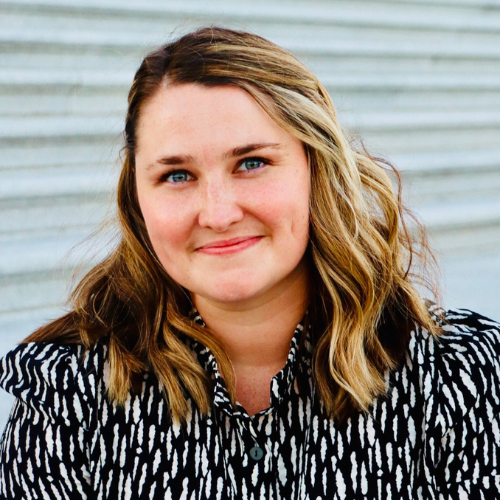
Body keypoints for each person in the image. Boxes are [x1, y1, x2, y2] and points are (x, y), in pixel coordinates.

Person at [0, 26, 499, 500]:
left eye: (252, 163)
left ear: (315, 169)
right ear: (137, 199)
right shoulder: (69, 395)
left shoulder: (459, 380)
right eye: (177, 175)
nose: (218, 213)